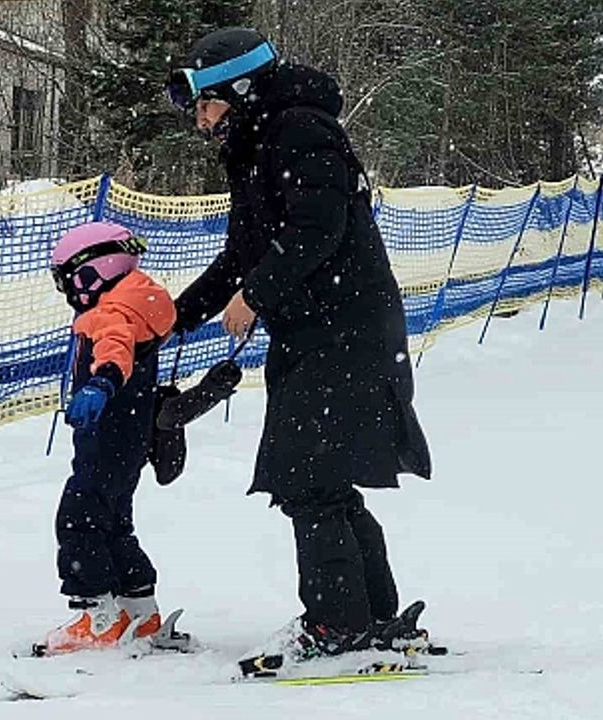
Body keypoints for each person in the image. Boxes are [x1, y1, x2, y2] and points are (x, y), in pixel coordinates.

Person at [165, 28, 434, 660]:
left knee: (309, 478)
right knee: (322, 479)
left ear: (241, 90)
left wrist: (256, 295)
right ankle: (370, 620)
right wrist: (175, 318)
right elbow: (242, 254)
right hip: (321, 329)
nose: (202, 123)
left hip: (346, 330)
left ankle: (339, 629)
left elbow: (319, 228)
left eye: (207, 106)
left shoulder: (300, 131)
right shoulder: (260, 142)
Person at [36, 221, 178, 655]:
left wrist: (102, 384)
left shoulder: (113, 311)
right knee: (113, 521)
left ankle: (98, 616)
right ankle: (139, 609)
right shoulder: (139, 300)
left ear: (93, 271)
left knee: (78, 518)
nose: (70, 294)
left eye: (69, 282)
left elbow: (113, 347)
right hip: (128, 439)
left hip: (107, 433)